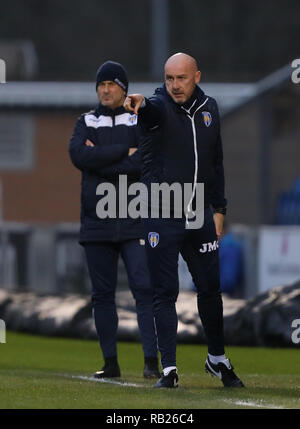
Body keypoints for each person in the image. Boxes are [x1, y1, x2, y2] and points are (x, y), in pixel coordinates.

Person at [124, 53, 244, 388]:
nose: (175, 85)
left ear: (197, 76)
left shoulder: (209, 108)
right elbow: (149, 109)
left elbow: (216, 162)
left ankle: (217, 359)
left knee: (210, 288)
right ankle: (169, 370)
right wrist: (139, 103)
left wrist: (219, 208)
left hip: (198, 213)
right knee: (165, 291)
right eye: (169, 78)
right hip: (161, 212)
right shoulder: (158, 107)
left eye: (182, 78)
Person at [69, 61, 159, 379]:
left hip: (134, 218)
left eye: (111, 84)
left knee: (144, 290)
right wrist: (123, 151)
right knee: (102, 296)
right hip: (97, 222)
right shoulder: (86, 120)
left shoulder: (138, 118)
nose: (105, 90)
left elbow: (143, 161)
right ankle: (111, 364)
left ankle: (152, 362)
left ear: (123, 88)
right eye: (101, 84)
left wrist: (102, 164)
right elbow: (79, 155)